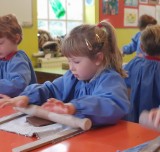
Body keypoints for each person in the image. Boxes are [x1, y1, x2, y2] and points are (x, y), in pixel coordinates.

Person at [0, 20, 130, 127]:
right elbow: (50, 89)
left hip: (107, 142)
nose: (71, 67)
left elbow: (111, 104)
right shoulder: (73, 77)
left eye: (76, 62)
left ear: (98, 58)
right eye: (69, 61)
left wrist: (73, 107)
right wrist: (27, 97)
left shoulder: (111, 80)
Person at [124, 24, 160, 123]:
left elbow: (123, 84)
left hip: (132, 118)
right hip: (154, 121)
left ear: (141, 47)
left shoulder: (134, 63)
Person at [0, 14, 37, 97]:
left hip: (24, 106)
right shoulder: (2, 59)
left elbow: (19, 85)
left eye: (0, 43)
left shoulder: (18, 60)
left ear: (16, 38)